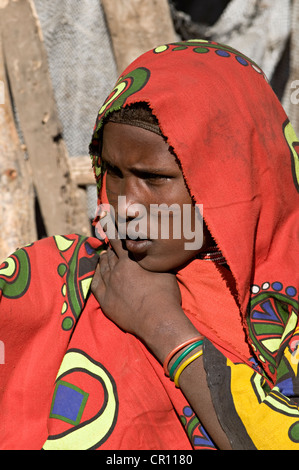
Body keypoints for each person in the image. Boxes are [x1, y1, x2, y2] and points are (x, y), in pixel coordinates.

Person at [1, 39, 299, 450]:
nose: (126, 205)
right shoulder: (62, 278)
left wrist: (164, 327)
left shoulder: (286, 308)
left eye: (154, 178)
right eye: (114, 172)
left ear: (233, 176)